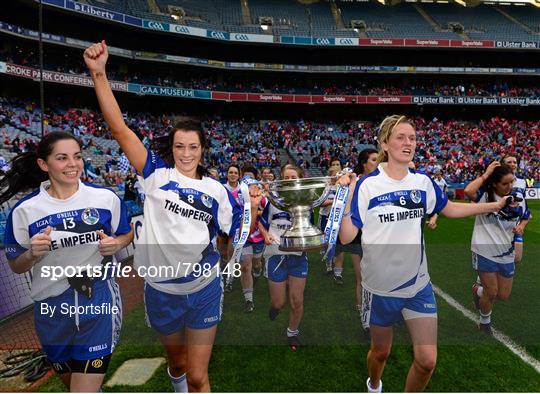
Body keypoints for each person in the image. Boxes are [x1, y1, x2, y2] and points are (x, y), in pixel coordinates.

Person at [84, 41, 260, 392]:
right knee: (177, 365)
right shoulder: (155, 175)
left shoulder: (217, 190)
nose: (186, 153)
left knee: (198, 375)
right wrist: (99, 73)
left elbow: (234, 234)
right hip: (161, 289)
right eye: (180, 146)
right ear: (172, 147)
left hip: (203, 287)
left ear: (203, 149)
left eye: (193, 147)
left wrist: (253, 208)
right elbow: (120, 129)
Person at [337, 115, 511, 392]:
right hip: (380, 288)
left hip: (417, 284)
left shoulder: (422, 182)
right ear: (385, 143)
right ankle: (374, 383)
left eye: (412, 138)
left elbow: (449, 208)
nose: (408, 143)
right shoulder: (368, 185)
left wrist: (491, 207)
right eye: (400, 137)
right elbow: (346, 236)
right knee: (380, 353)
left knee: (427, 360)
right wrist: (347, 196)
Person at [2, 131, 133, 392]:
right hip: (51, 310)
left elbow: (126, 233)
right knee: (77, 385)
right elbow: (17, 265)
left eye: (77, 157)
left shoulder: (105, 199)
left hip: (96, 299)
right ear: (43, 164)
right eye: (62, 158)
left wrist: (117, 243)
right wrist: (32, 254)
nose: (72, 164)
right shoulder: (25, 211)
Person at [464, 162, 527, 335]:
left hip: (506, 252)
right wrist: (486, 174)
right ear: (494, 183)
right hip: (484, 251)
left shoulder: (517, 198)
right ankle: (484, 323)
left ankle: (478, 290)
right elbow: (468, 191)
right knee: (492, 292)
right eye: (505, 183)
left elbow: (525, 216)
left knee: (503, 295)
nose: (509, 187)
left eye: (511, 182)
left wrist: (521, 226)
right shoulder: (485, 197)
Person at [261, 164, 309, 350]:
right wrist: (265, 235)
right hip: (276, 255)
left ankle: (292, 333)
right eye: (286, 178)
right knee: (279, 302)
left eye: (293, 178)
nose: (289, 181)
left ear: (299, 180)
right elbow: (262, 223)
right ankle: (275, 307)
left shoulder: (305, 202)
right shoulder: (272, 201)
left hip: (297, 257)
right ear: (280, 180)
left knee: (297, 300)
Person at [501, 155, 531, 264]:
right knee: (496, 258)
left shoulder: (522, 182)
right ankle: (481, 280)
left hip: (515, 226)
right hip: (500, 225)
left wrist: (522, 225)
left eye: (514, 162)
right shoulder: (496, 181)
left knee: (517, 258)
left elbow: (525, 207)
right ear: (503, 164)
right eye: (509, 162)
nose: (513, 164)